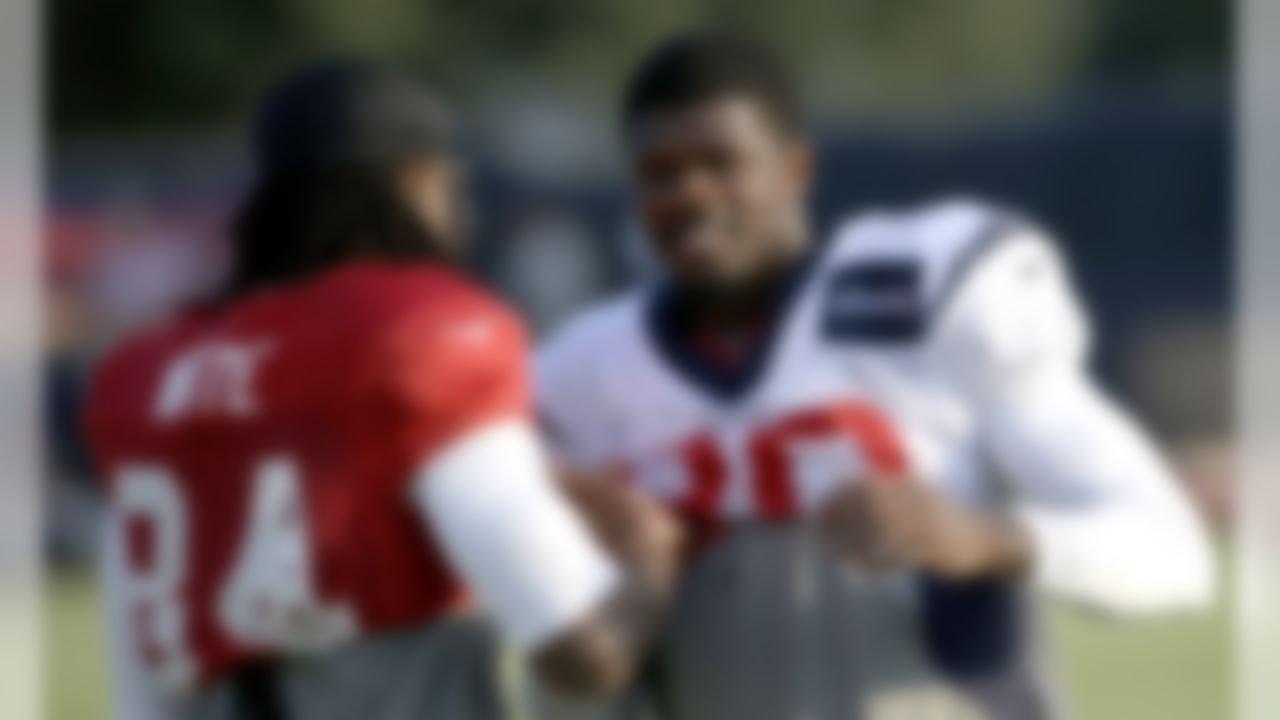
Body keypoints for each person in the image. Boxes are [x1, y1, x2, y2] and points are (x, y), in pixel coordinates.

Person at [535, 31, 1215, 720]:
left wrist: (981, 537)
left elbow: (1172, 557)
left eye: (720, 162)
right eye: (659, 171)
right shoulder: (582, 374)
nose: (690, 195)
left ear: (794, 169)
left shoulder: (932, 291)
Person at [84, 61, 680, 720]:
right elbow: (583, 650)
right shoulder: (416, 335)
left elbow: (139, 696)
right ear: (417, 182)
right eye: (454, 190)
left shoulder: (148, 369)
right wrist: (649, 562)